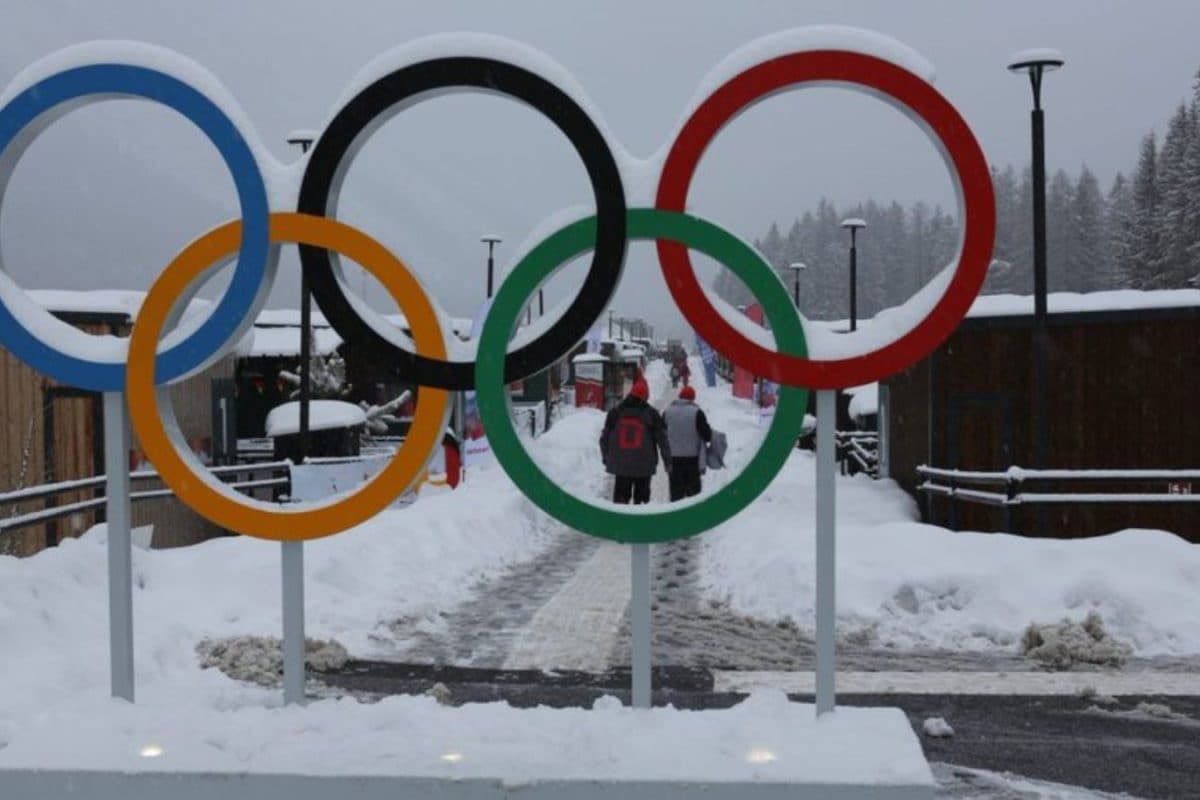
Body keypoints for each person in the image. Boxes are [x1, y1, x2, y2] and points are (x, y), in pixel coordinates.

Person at [600, 376, 670, 504]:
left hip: (621, 466)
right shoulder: (652, 414)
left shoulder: (615, 412)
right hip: (644, 466)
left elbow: (604, 438)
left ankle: (621, 523)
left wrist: (606, 457)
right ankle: (640, 522)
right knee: (641, 504)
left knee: (621, 504)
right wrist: (668, 462)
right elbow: (663, 440)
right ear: (645, 396)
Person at [663, 385, 712, 501]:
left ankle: (675, 516)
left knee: (676, 494)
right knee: (693, 495)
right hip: (692, 460)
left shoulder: (667, 411)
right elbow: (707, 435)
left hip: (673, 459)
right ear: (692, 398)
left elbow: (661, 433)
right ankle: (692, 517)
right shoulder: (697, 412)